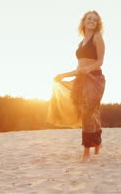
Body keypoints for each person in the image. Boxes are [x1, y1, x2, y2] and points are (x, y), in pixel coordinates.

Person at [48, 10, 106, 163]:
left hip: (94, 79)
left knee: (89, 112)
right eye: (89, 18)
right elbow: (79, 67)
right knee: (91, 112)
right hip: (81, 80)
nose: (91, 21)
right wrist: (63, 75)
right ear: (84, 21)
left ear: (97, 23)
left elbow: (100, 62)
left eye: (94, 19)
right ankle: (97, 141)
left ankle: (86, 151)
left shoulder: (97, 37)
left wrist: (89, 69)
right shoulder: (81, 42)